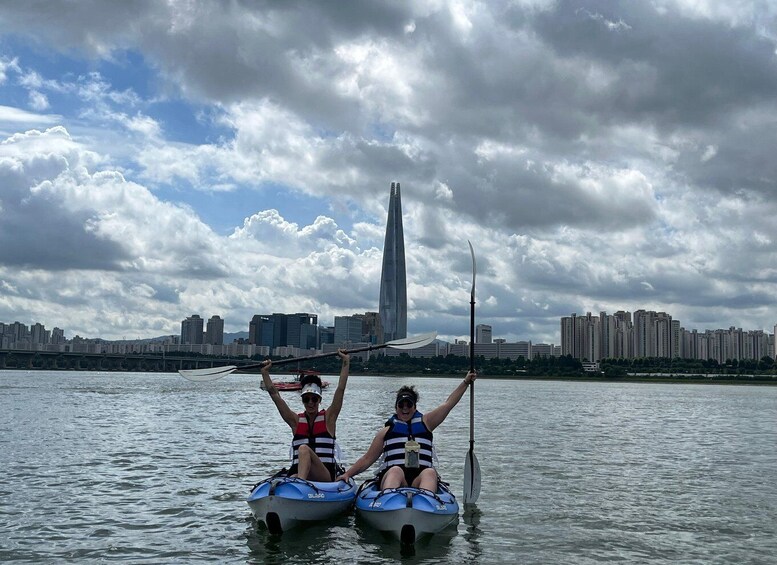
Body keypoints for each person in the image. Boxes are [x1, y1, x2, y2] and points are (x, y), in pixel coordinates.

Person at [337, 370, 477, 491]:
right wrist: (348, 474)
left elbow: (448, 404)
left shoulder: (426, 422)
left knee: (429, 472)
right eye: (401, 405)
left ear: (414, 407)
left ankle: (425, 502)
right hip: (395, 478)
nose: (405, 408)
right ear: (396, 407)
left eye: (408, 404)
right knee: (396, 470)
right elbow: (367, 459)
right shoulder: (386, 432)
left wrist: (465, 382)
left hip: (419, 479)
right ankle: (389, 500)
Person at [260, 349, 350, 482]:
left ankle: (299, 485)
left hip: (324, 475)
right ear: (302, 400)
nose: (310, 403)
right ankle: (298, 483)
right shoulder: (295, 421)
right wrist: (265, 373)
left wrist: (346, 361)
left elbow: (341, 389)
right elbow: (275, 395)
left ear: (319, 400)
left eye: (314, 399)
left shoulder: (329, 418)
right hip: (300, 474)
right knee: (293, 476)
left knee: (303, 449)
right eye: (306, 399)